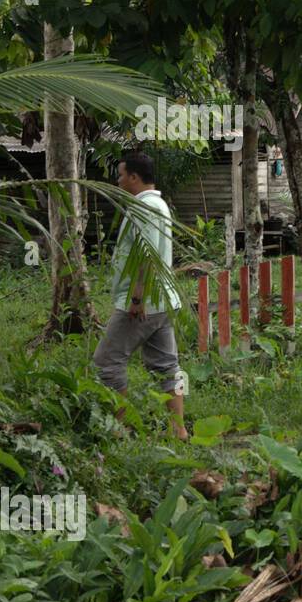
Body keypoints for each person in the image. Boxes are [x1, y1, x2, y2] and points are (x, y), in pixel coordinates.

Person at [93, 151, 187, 440]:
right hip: (164, 301)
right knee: (168, 366)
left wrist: (136, 298)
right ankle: (178, 430)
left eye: (121, 175)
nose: (118, 180)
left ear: (134, 177)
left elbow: (145, 253)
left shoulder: (144, 207)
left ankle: (120, 430)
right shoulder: (157, 203)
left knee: (107, 362)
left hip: (144, 303)